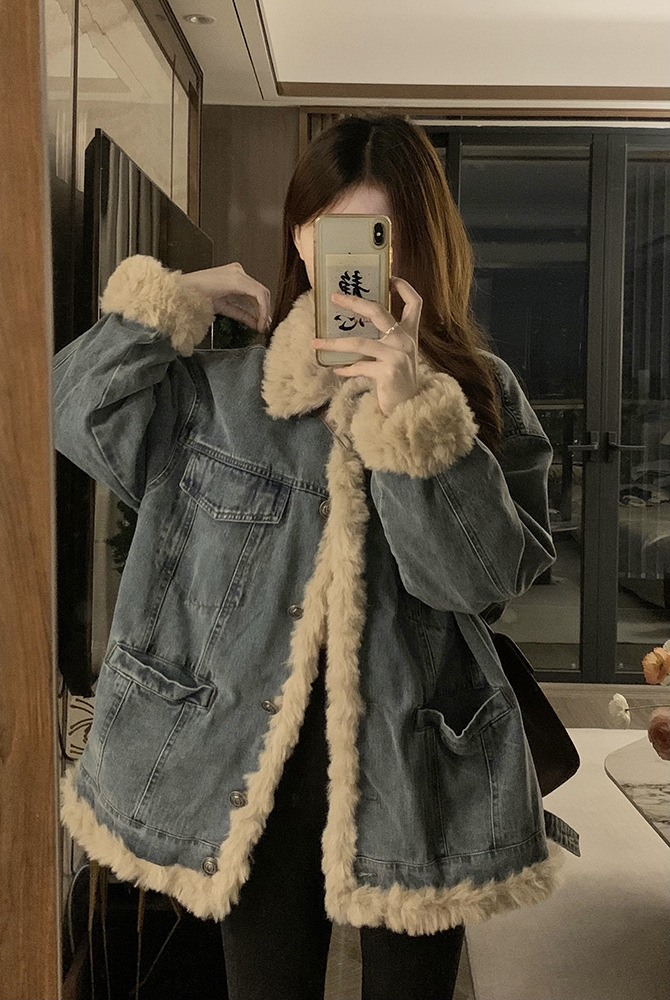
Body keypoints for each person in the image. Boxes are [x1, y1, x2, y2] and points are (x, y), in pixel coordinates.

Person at [53, 114, 579, 1000]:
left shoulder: (478, 394)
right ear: (300, 238)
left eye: (380, 235)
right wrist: (176, 296)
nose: (353, 262)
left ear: (418, 246)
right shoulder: (220, 397)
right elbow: (73, 411)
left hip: (420, 772)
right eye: (332, 231)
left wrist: (412, 417)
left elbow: (480, 582)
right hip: (252, 768)